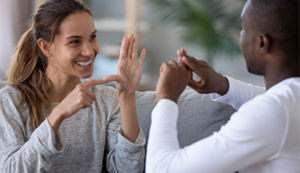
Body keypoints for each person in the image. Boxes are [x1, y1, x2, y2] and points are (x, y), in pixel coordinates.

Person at [146, 0, 299, 172]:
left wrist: (167, 97)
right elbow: (269, 99)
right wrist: (222, 84)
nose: (241, 37)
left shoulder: (275, 112)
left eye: (244, 30)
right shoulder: (291, 98)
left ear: (262, 43)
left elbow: (161, 168)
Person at [0, 0, 147, 172]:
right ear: (46, 47)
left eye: (92, 37)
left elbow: (128, 169)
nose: (89, 51)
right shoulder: (11, 101)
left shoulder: (106, 100)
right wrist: (59, 114)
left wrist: (127, 95)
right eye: (75, 42)